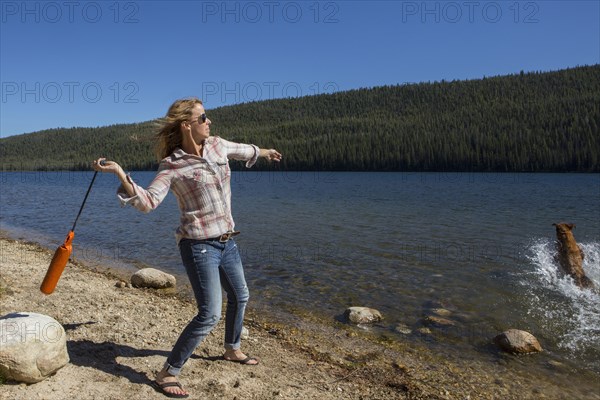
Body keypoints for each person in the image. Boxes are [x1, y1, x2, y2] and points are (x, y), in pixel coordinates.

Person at [93, 97, 282, 398]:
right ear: (187, 125)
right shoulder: (173, 166)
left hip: (227, 240)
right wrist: (119, 173)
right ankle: (168, 372)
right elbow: (147, 202)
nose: (209, 122)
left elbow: (245, 149)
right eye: (203, 117)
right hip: (198, 246)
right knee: (209, 314)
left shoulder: (218, 146)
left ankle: (232, 349)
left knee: (240, 295)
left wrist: (266, 152)